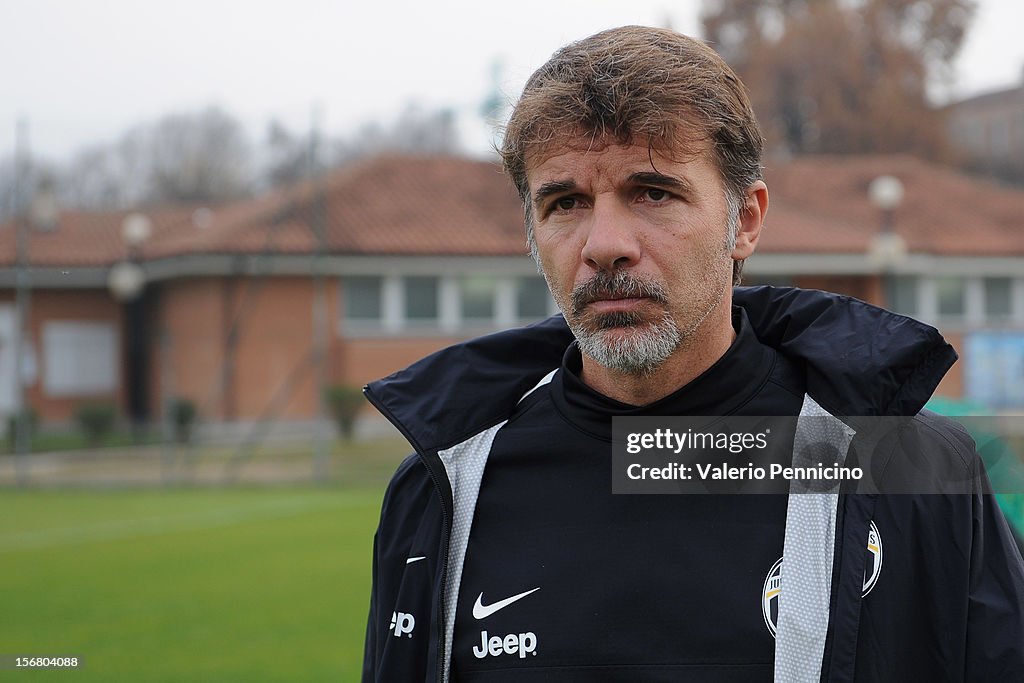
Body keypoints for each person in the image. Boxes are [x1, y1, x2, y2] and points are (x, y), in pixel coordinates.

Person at [361, 26, 1024, 682]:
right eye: (566, 202)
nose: (605, 244)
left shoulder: (911, 471)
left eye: (653, 192)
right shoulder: (443, 486)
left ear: (746, 220)